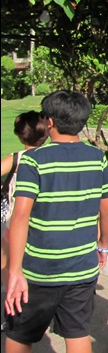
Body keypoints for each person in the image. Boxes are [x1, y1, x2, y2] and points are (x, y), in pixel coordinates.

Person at [4, 90, 108, 353]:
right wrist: (103, 245)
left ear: (49, 122)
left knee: (20, 334)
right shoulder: (98, 158)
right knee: (78, 333)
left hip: (38, 269)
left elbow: (21, 216)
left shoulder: (34, 160)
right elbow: (107, 210)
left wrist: (14, 272)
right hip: (82, 266)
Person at [1, 111, 49, 289]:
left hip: (15, 220)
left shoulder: (16, 158)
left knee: (5, 264)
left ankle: (15, 299)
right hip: (43, 221)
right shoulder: (50, 158)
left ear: (21, 136)